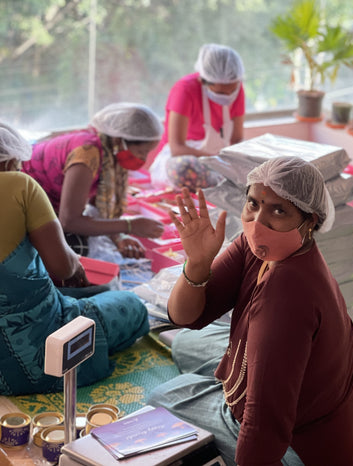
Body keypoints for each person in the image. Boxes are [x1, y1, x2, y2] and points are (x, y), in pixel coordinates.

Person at [147, 156, 353, 465]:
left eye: (278, 210)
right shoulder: (262, 246)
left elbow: (266, 421)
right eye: (253, 204)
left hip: (304, 445)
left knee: (162, 397)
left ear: (311, 221)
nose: (258, 222)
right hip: (330, 392)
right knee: (186, 343)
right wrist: (197, 263)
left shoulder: (287, 295)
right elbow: (188, 317)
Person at [0, 121, 150, 396]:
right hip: (40, 349)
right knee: (131, 305)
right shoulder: (19, 185)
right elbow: (63, 266)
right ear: (10, 159)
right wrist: (74, 262)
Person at [22, 102, 164, 258]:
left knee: (86, 238)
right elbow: (69, 221)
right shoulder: (87, 154)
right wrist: (129, 226)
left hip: (47, 205)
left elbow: (97, 206)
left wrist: (119, 237)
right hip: (19, 206)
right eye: (141, 151)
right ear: (119, 141)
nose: (142, 159)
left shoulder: (109, 154)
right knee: (76, 247)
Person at [148, 43, 245, 192]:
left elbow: (237, 140)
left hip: (218, 164)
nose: (227, 97)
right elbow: (177, 148)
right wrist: (215, 161)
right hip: (183, 161)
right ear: (203, 81)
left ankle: (224, 185)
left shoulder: (238, 90)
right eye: (220, 93)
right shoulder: (185, 90)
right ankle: (225, 187)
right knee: (183, 168)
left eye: (231, 90)